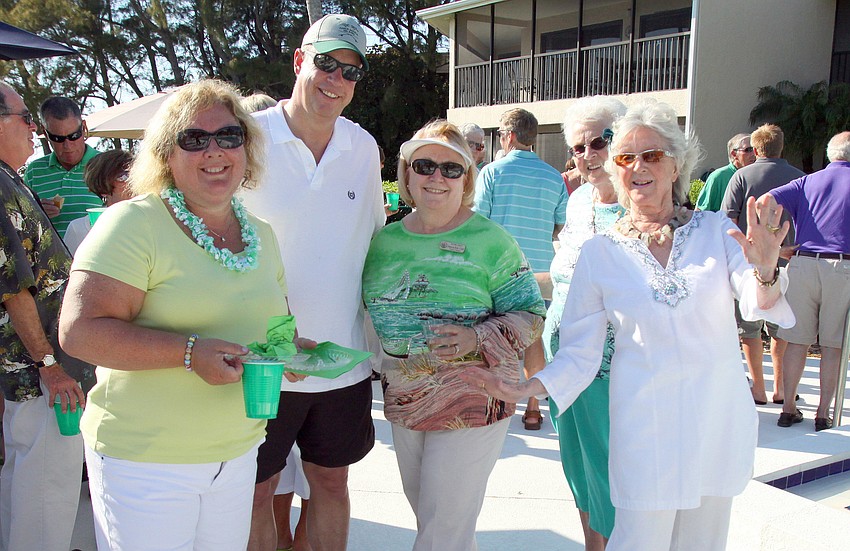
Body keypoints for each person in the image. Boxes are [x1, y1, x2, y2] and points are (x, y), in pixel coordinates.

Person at [461, 99, 795, 551]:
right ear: (616, 171)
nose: (639, 166)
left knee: (702, 544)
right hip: (644, 429)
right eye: (626, 158)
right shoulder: (601, 254)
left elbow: (759, 302)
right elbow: (579, 353)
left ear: (676, 166)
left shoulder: (716, 231)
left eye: (652, 155)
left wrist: (766, 269)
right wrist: (526, 389)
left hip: (715, 423)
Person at [58, 79, 305, 550]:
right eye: (194, 139)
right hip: (146, 463)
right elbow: (79, 332)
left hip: (237, 452)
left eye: (229, 136)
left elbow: (276, 323)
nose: (214, 149)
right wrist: (190, 353)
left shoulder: (261, 233)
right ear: (166, 155)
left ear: (247, 149)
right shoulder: (133, 223)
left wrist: (293, 349)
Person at [362, 120, 546, 550]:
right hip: (406, 400)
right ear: (406, 173)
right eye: (425, 165)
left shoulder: (490, 241)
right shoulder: (384, 242)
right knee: (439, 524)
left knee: (441, 529)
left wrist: (476, 337)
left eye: (451, 168)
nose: (436, 177)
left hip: (475, 399)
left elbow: (531, 314)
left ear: (466, 178)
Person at [241, 14, 384, 551]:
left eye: (351, 71)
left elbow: (373, 246)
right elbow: (223, 245)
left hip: (342, 361)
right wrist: (275, 337)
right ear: (300, 61)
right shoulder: (246, 139)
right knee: (256, 490)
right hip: (261, 359)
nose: (336, 79)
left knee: (332, 483)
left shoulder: (363, 148)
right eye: (327, 62)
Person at [0, 81, 93, 551]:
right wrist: (50, 366)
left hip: (32, 368)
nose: (33, 129)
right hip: (38, 370)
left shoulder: (9, 177)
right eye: (24, 118)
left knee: (25, 476)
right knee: (46, 483)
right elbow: (13, 288)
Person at [547, 95, 626, 550]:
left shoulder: (639, 209)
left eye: (600, 142)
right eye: (579, 147)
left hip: (610, 369)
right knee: (577, 469)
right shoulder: (576, 202)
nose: (589, 154)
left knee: (609, 470)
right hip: (562, 364)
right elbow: (561, 278)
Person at [237, 91, 313, 551]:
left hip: (276, 376)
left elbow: (279, 300)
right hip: (227, 389)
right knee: (261, 487)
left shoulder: (260, 230)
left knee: (280, 484)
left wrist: (284, 346)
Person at [473, 107, 568, 430]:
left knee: (495, 338)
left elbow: (479, 222)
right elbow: (560, 226)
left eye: (500, 133)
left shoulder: (492, 173)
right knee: (533, 341)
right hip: (539, 271)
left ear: (510, 136)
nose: (500, 139)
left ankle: (496, 400)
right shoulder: (554, 176)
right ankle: (531, 406)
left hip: (498, 271)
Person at [763, 131, 850, 431]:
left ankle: (788, 408)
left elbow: (766, 200)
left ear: (830, 154)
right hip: (842, 267)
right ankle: (823, 413)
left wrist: (774, 242)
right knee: (833, 345)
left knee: (796, 341)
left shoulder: (806, 181)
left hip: (802, 262)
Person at [722, 124, 804, 405]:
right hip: (789, 261)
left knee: (750, 329)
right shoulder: (801, 179)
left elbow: (728, 222)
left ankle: (758, 388)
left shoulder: (741, 176)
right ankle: (782, 388)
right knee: (783, 329)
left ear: (755, 150)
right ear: (782, 148)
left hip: (749, 264)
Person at [23, 96, 102, 237]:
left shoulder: (106, 166)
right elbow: (21, 225)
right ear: (46, 133)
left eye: (74, 136)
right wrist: (37, 214)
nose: (68, 146)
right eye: (58, 139)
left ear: (84, 128)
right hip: (50, 258)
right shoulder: (34, 171)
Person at [64, 149, 134, 254]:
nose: (132, 181)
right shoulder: (80, 228)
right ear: (102, 188)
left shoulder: (151, 221)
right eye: (123, 176)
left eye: (135, 175)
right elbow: (66, 268)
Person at [695, 133, 755, 212]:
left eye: (755, 149)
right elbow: (700, 212)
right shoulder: (718, 177)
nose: (753, 154)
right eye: (748, 150)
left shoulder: (757, 176)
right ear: (734, 154)